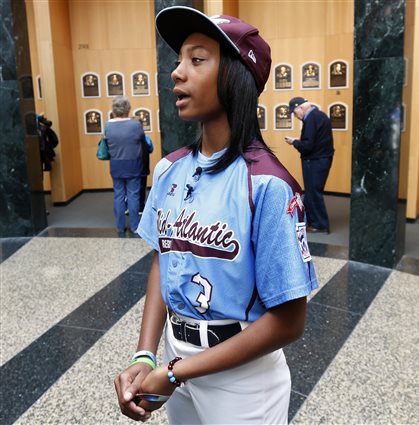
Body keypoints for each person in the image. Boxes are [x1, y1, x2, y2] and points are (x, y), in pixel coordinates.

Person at [114, 6, 317, 425]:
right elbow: (162, 256)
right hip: (174, 357)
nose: (177, 72)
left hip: (241, 380)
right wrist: (146, 354)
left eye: (197, 59)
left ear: (235, 76)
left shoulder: (267, 184)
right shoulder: (170, 168)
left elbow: (289, 322)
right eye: (178, 60)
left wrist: (173, 374)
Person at [284, 97, 334, 234]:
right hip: (322, 159)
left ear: (300, 108)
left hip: (314, 161)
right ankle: (312, 220)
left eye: (294, 113)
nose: (296, 116)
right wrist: (299, 140)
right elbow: (314, 140)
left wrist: (294, 143)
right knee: (313, 192)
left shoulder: (310, 119)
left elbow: (307, 146)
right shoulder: (319, 116)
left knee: (313, 193)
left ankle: (320, 224)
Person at [106, 95, 146, 234]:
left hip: (116, 165)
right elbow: (142, 140)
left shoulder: (108, 125)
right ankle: (135, 227)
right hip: (133, 165)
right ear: (128, 109)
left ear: (114, 109)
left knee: (118, 195)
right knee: (133, 195)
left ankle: (120, 227)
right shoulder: (135, 125)